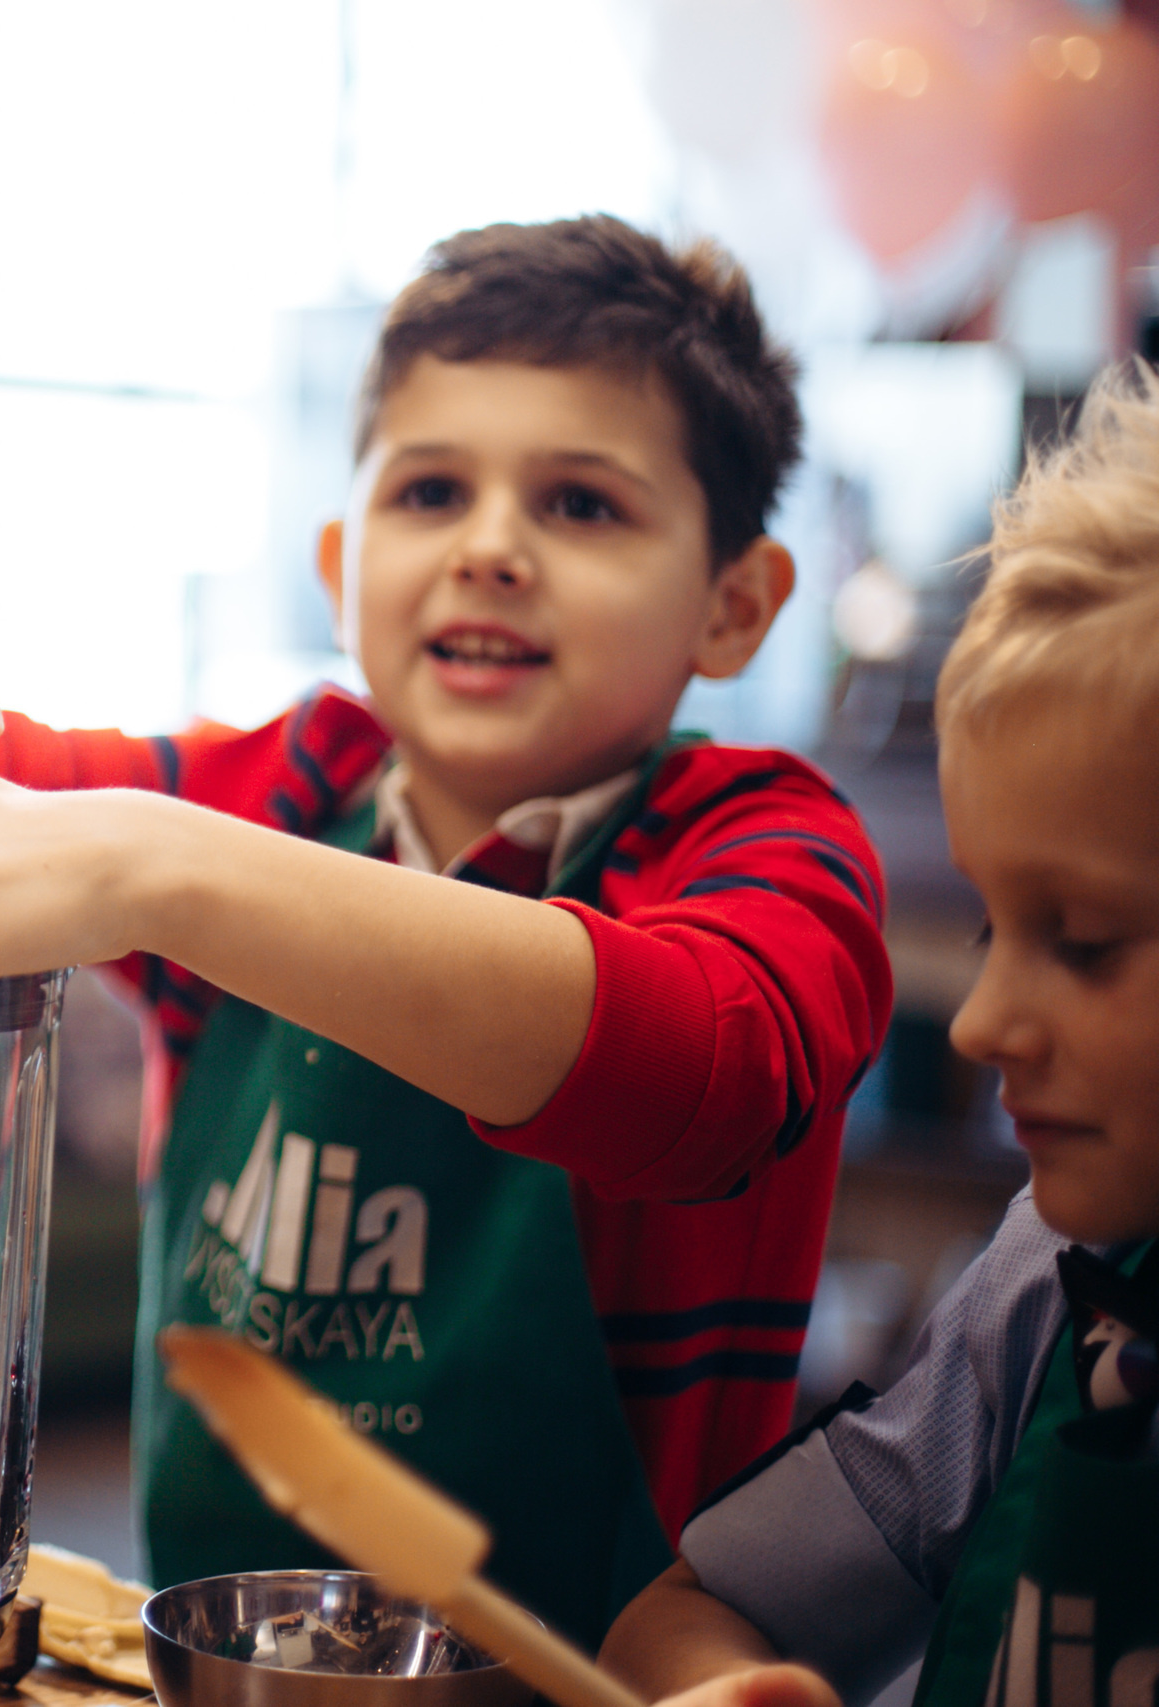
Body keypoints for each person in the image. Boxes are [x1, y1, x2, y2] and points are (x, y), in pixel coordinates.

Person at [0, 216, 894, 1644]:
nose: (490, 548)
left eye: (582, 507)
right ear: (340, 557)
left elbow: (702, 1075)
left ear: (736, 607)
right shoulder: (275, 790)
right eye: (430, 492)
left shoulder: (768, 844)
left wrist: (165, 869)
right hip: (212, 1666)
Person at [598, 361, 1159, 1707]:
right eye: (989, 934)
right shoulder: (1045, 1291)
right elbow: (686, 1620)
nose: (978, 1023)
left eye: (1081, 941)